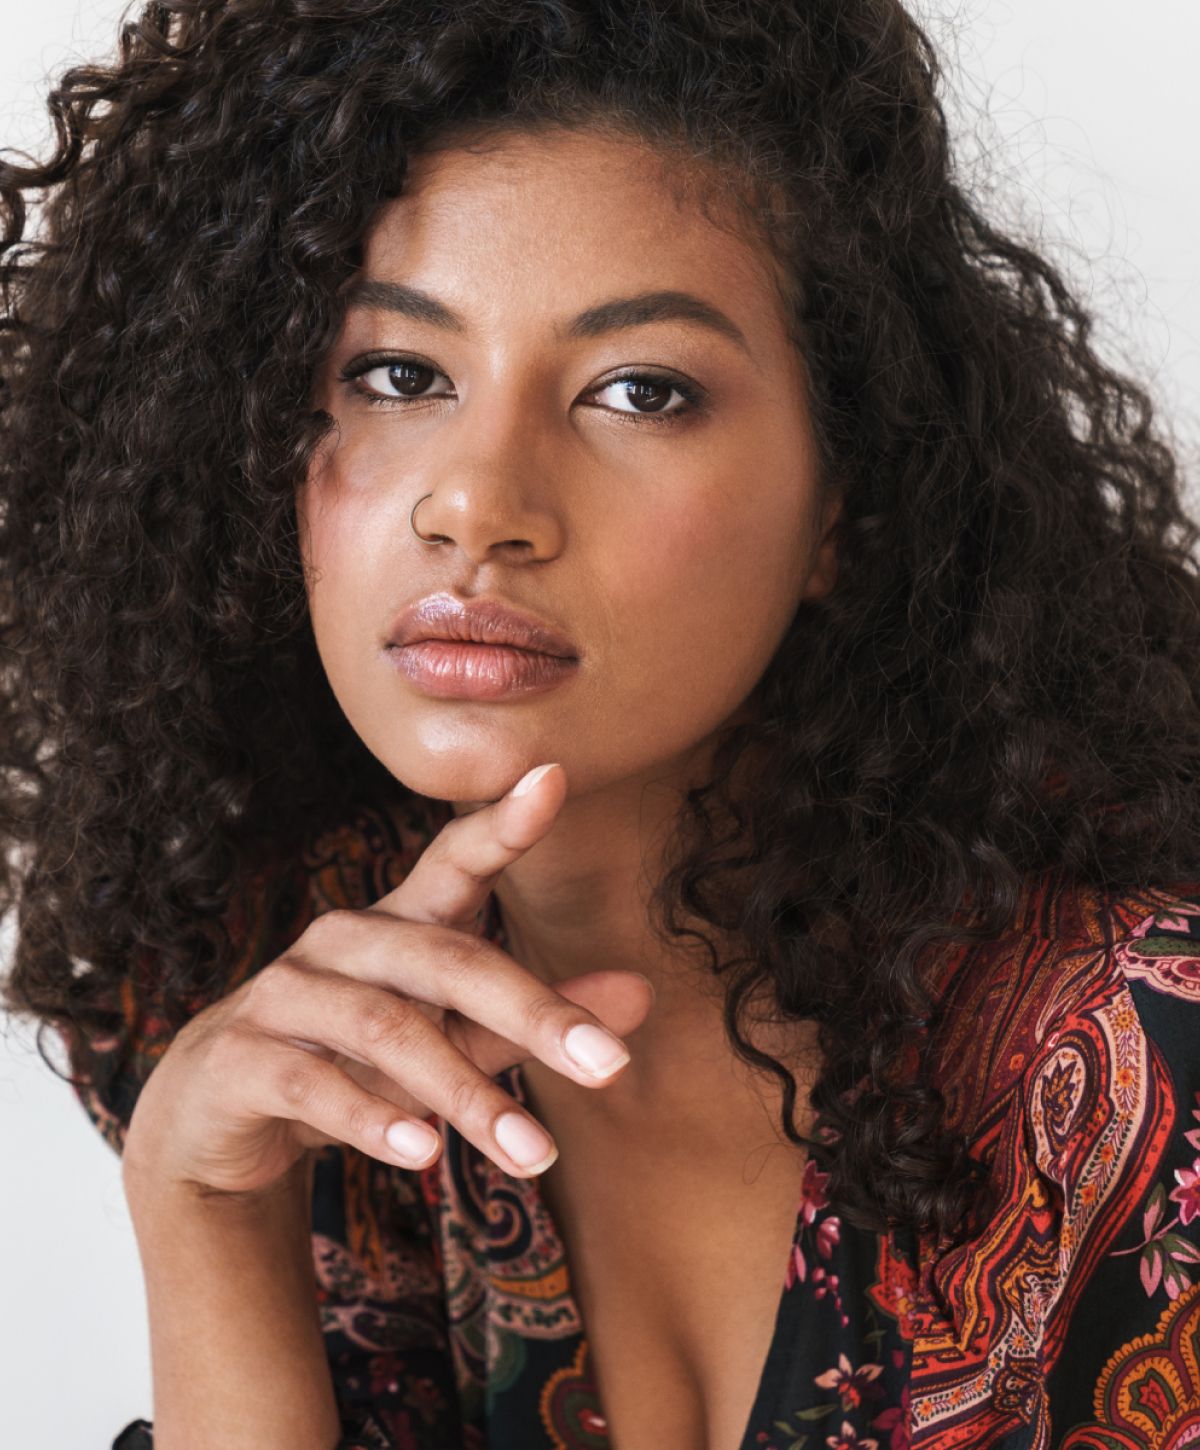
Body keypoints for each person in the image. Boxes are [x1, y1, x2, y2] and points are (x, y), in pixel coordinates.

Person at [2, 0, 1199, 1446]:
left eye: (640, 390)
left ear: (845, 503)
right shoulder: (268, 1011)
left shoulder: (1136, 1069)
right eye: (399, 374)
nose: (477, 503)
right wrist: (206, 1222)